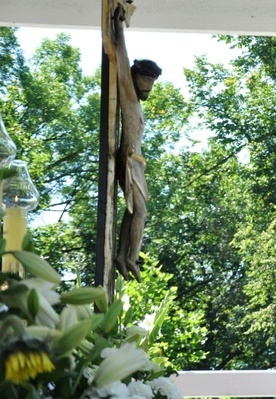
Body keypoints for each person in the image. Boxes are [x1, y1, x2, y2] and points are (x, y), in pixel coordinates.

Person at [103, 3, 162, 282]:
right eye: (145, 83)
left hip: (137, 162)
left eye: (151, 85)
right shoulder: (128, 93)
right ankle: (131, 257)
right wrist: (118, 26)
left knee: (133, 212)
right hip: (129, 159)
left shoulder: (137, 102)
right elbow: (123, 58)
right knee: (140, 211)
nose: (147, 89)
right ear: (136, 78)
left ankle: (124, 253)